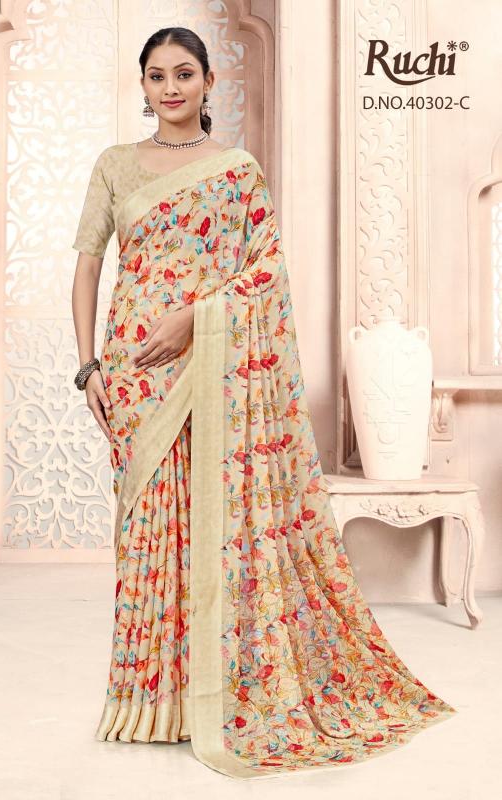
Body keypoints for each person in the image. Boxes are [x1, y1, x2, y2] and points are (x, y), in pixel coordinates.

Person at [71, 26, 457, 780]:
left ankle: (214, 697)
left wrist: (195, 317)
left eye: (184, 73)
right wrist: (87, 368)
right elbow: (88, 265)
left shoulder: (236, 171)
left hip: (212, 368)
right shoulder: (114, 165)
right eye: (157, 76)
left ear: (208, 82)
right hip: (134, 375)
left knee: (218, 526)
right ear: (142, 86)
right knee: (148, 532)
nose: (171, 87)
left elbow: (265, 272)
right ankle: (151, 702)